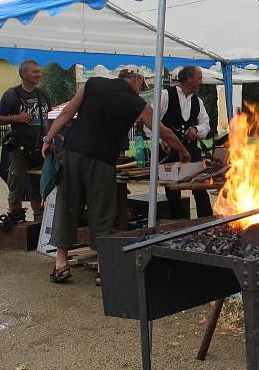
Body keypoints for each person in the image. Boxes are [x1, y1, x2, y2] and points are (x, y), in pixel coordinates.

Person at [41, 68, 190, 283]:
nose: (141, 89)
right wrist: (183, 152)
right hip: (102, 159)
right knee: (101, 210)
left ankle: (61, 265)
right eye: (142, 84)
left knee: (67, 205)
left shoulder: (92, 84)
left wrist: (48, 140)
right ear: (137, 80)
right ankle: (103, 268)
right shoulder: (136, 103)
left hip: (73, 152)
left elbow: (66, 114)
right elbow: (163, 131)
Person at [0, 60, 51, 220]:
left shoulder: (43, 94)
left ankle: (40, 219)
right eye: (35, 72)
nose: (38, 74)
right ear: (24, 74)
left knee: (39, 185)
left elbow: (49, 118)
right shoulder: (11, 94)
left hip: (39, 147)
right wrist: (17, 118)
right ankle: (15, 218)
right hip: (20, 148)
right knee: (17, 184)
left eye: (38, 71)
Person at [156, 65, 213, 219]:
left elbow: (206, 125)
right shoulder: (165, 95)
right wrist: (162, 139)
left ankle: (207, 221)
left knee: (200, 187)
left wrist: (196, 129)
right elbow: (151, 122)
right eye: (199, 78)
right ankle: (180, 225)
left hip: (190, 152)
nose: (201, 82)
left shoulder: (197, 101)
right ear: (188, 78)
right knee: (173, 192)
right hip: (169, 153)